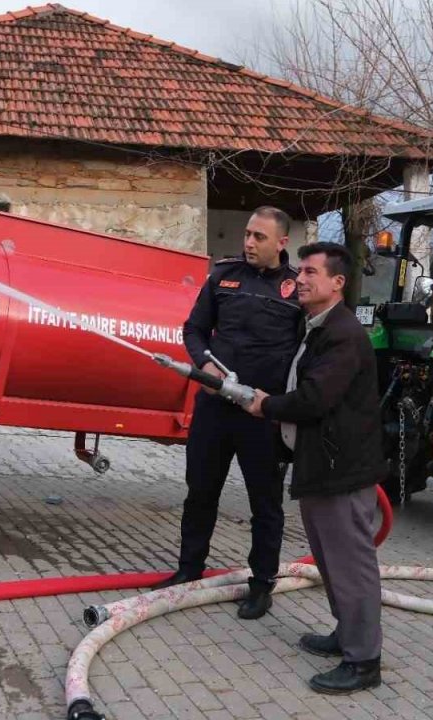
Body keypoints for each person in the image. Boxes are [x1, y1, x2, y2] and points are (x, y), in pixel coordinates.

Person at [247, 242, 386, 695]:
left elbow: (313, 400)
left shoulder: (343, 334)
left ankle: (364, 661)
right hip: (322, 467)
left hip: (340, 473)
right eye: (300, 271)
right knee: (331, 563)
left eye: (310, 272)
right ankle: (346, 636)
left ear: (337, 283)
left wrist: (266, 406)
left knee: (351, 567)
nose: (300, 279)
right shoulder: (320, 327)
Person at [157, 206, 303, 621]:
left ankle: (261, 585)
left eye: (259, 237)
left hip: (262, 416)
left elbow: (306, 353)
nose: (249, 243)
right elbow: (194, 329)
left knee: (265, 504)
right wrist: (203, 362)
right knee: (200, 492)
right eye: (248, 235)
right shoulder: (223, 277)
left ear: (281, 243)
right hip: (215, 408)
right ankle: (189, 569)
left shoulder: (296, 290)